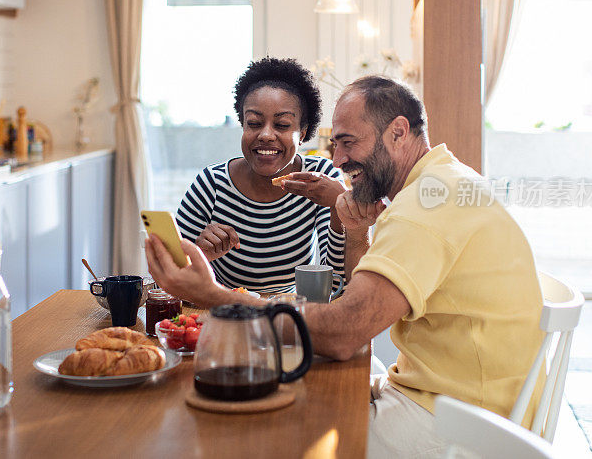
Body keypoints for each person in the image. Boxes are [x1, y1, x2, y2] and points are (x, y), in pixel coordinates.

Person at [147, 75, 545, 457]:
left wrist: (214, 297)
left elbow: (344, 335)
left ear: (399, 132)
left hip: (469, 425)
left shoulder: (425, 205)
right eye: (334, 144)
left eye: (348, 143)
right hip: (451, 397)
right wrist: (356, 232)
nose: (337, 160)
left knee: (267, 432)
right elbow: (355, 303)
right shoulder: (439, 183)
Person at [176, 57, 347, 294]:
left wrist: (340, 208)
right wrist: (200, 253)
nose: (266, 134)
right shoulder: (211, 184)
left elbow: (337, 280)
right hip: (228, 308)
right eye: (254, 123)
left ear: (303, 132)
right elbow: (172, 276)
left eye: (282, 125)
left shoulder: (320, 178)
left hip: (291, 311)